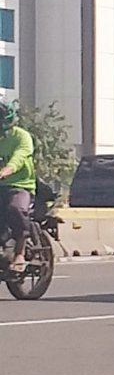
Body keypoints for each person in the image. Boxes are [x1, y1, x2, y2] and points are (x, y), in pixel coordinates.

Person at [0, 101, 38, 275]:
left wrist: (5, 171)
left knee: (15, 208)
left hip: (19, 186)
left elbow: (19, 158)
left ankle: (19, 252)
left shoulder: (21, 137)